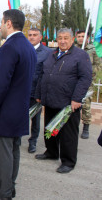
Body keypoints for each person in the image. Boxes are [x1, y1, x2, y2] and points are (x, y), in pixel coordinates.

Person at [0, 9, 36, 200]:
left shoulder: (10, 47)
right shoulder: (27, 46)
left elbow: (2, 83)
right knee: (13, 150)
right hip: (18, 109)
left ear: (9, 23)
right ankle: (8, 186)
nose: (0, 26)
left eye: (2, 22)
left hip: (5, 110)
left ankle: (4, 194)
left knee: (3, 153)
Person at [35, 28, 92, 174]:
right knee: (50, 128)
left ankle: (68, 161)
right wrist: (40, 94)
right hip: (50, 99)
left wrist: (76, 99)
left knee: (68, 134)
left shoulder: (80, 55)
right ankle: (51, 152)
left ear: (72, 39)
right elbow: (43, 74)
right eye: (60, 38)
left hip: (68, 103)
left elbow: (85, 78)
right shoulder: (52, 54)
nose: (62, 41)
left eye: (66, 38)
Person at [27, 28, 52, 153]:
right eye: (30, 35)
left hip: (36, 92)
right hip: (22, 91)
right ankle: (17, 137)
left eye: (35, 35)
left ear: (40, 37)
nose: (32, 37)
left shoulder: (47, 52)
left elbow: (46, 74)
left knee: (35, 119)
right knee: (20, 115)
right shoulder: (24, 49)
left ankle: (33, 141)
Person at [75, 30, 101, 139]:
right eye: (79, 36)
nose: (81, 38)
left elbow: (98, 65)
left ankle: (86, 126)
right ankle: (74, 126)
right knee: (74, 105)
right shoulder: (74, 48)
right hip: (74, 80)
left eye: (83, 36)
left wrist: (88, 72)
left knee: (86, 104)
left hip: (87, 81)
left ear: (88, 37)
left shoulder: (93, 49)